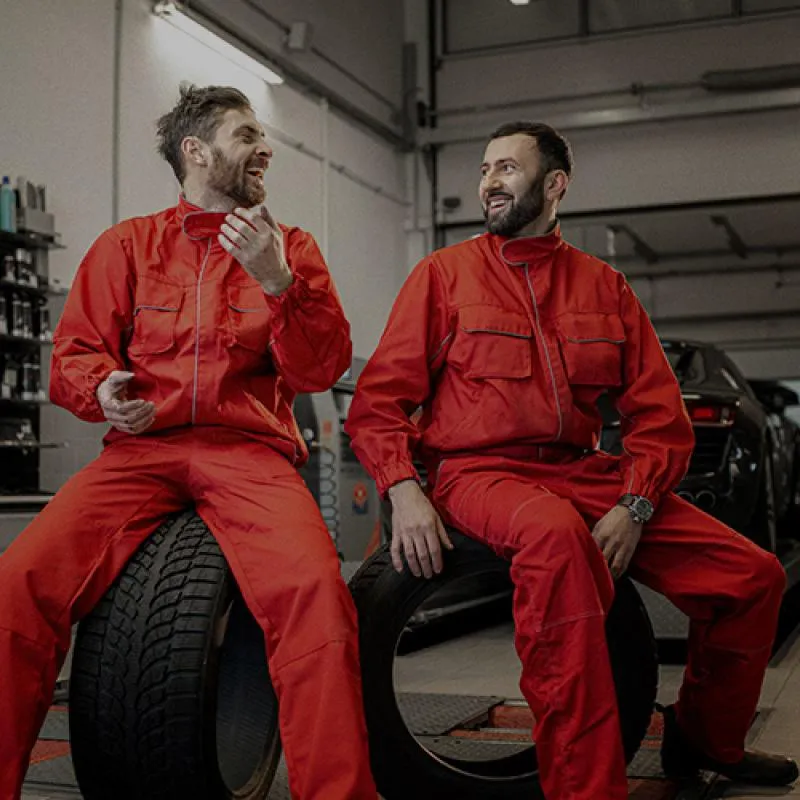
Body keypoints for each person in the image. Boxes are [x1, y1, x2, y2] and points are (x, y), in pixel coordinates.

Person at [345, 120, 797, 800]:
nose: (488, 181)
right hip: (477, 472)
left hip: (583, 472)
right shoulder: (444, 276)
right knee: (556, 543)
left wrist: (635, 505)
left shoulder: (604, 287)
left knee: (752, 578)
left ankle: (706, 740)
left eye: (506, 168)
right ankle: (585, 791)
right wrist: (403, 487)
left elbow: (659, 416)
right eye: (486, 168)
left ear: (555, 185)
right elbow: (379, 402)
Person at [0, 84, 377, 800]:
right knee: (17, 587)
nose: (264, 147)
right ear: (196, 152)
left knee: (317, 597)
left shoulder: (290, 247)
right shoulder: (127, 246)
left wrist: (278, 284)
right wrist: (103, 389)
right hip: (142, 454)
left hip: (251, 454)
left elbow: (319, 368)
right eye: (246, 134)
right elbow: (73, 358)